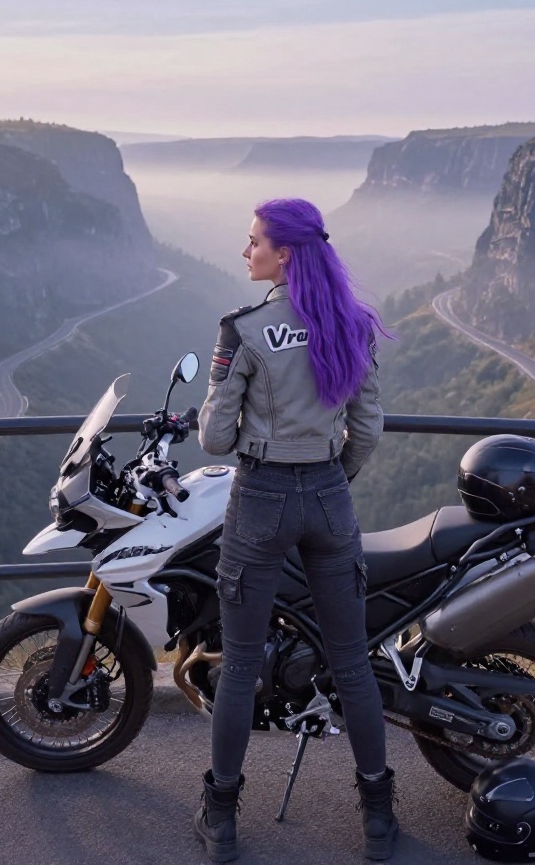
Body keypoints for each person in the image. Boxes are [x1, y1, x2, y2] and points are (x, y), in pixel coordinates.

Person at [193, 197, 398, 862]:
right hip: (329, 496)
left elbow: (217, 438)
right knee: (352, 663)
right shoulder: (353, 323)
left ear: (284, 253)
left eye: (253, 241)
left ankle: (221, 819)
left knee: (240, 663)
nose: (245, 251)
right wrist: (332, 478)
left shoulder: (244, 330)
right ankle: (377, 817)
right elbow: (366, 430)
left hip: (260, 502)